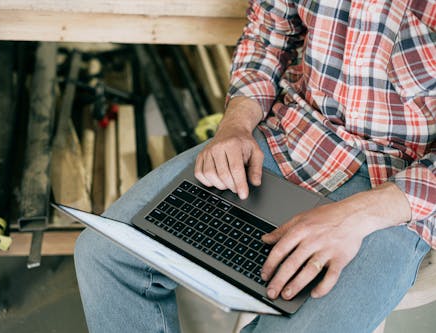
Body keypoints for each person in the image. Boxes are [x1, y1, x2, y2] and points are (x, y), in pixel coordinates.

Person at [74, 0, 435, 332]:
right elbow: (268, 33)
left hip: (402, 186)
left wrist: (356, 216)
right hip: (292, 135)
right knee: (105, 255)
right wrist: (236, 124)